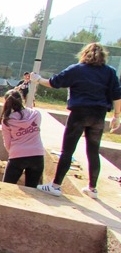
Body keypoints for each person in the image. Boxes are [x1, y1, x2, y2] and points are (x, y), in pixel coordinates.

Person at [31, 42, 121, 199]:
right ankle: (92, 188)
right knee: (93, 151)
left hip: (79, 114)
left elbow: (54, 82)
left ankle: (55, 186)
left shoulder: (77, 69)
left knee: (67, 151)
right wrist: (117, 116)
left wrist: (38, 79)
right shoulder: (110, 72)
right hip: (98, 116)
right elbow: (117, 95)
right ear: (103, 56)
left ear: (84, 54)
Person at [0, 89, 45, 187]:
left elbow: (7, 143)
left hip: (17, 156)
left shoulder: (7, 121)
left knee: (6, 188)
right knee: (32, 190)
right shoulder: (36, 114)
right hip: (37, 155)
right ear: (22, 99)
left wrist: (15, 152)